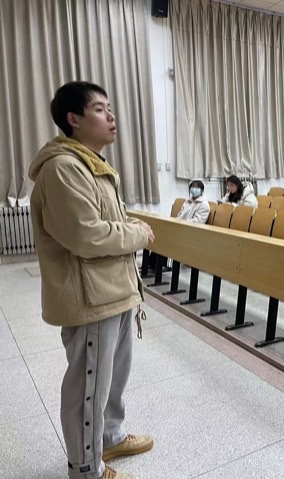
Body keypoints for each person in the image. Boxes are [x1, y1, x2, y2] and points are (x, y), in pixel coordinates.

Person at [28, 82, 154, 479]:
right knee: (89, 387)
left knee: (112, 377)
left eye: (109, 107)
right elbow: (86, 236)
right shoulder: (63, 168)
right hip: (90, 297)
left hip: (114, 291)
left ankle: (110, 438)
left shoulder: (92, 165)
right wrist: (137, 233)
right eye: (100, 109)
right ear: (74, 119)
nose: (111, 116)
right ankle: (86, 469)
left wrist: (128, 225)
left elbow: (106, 221)